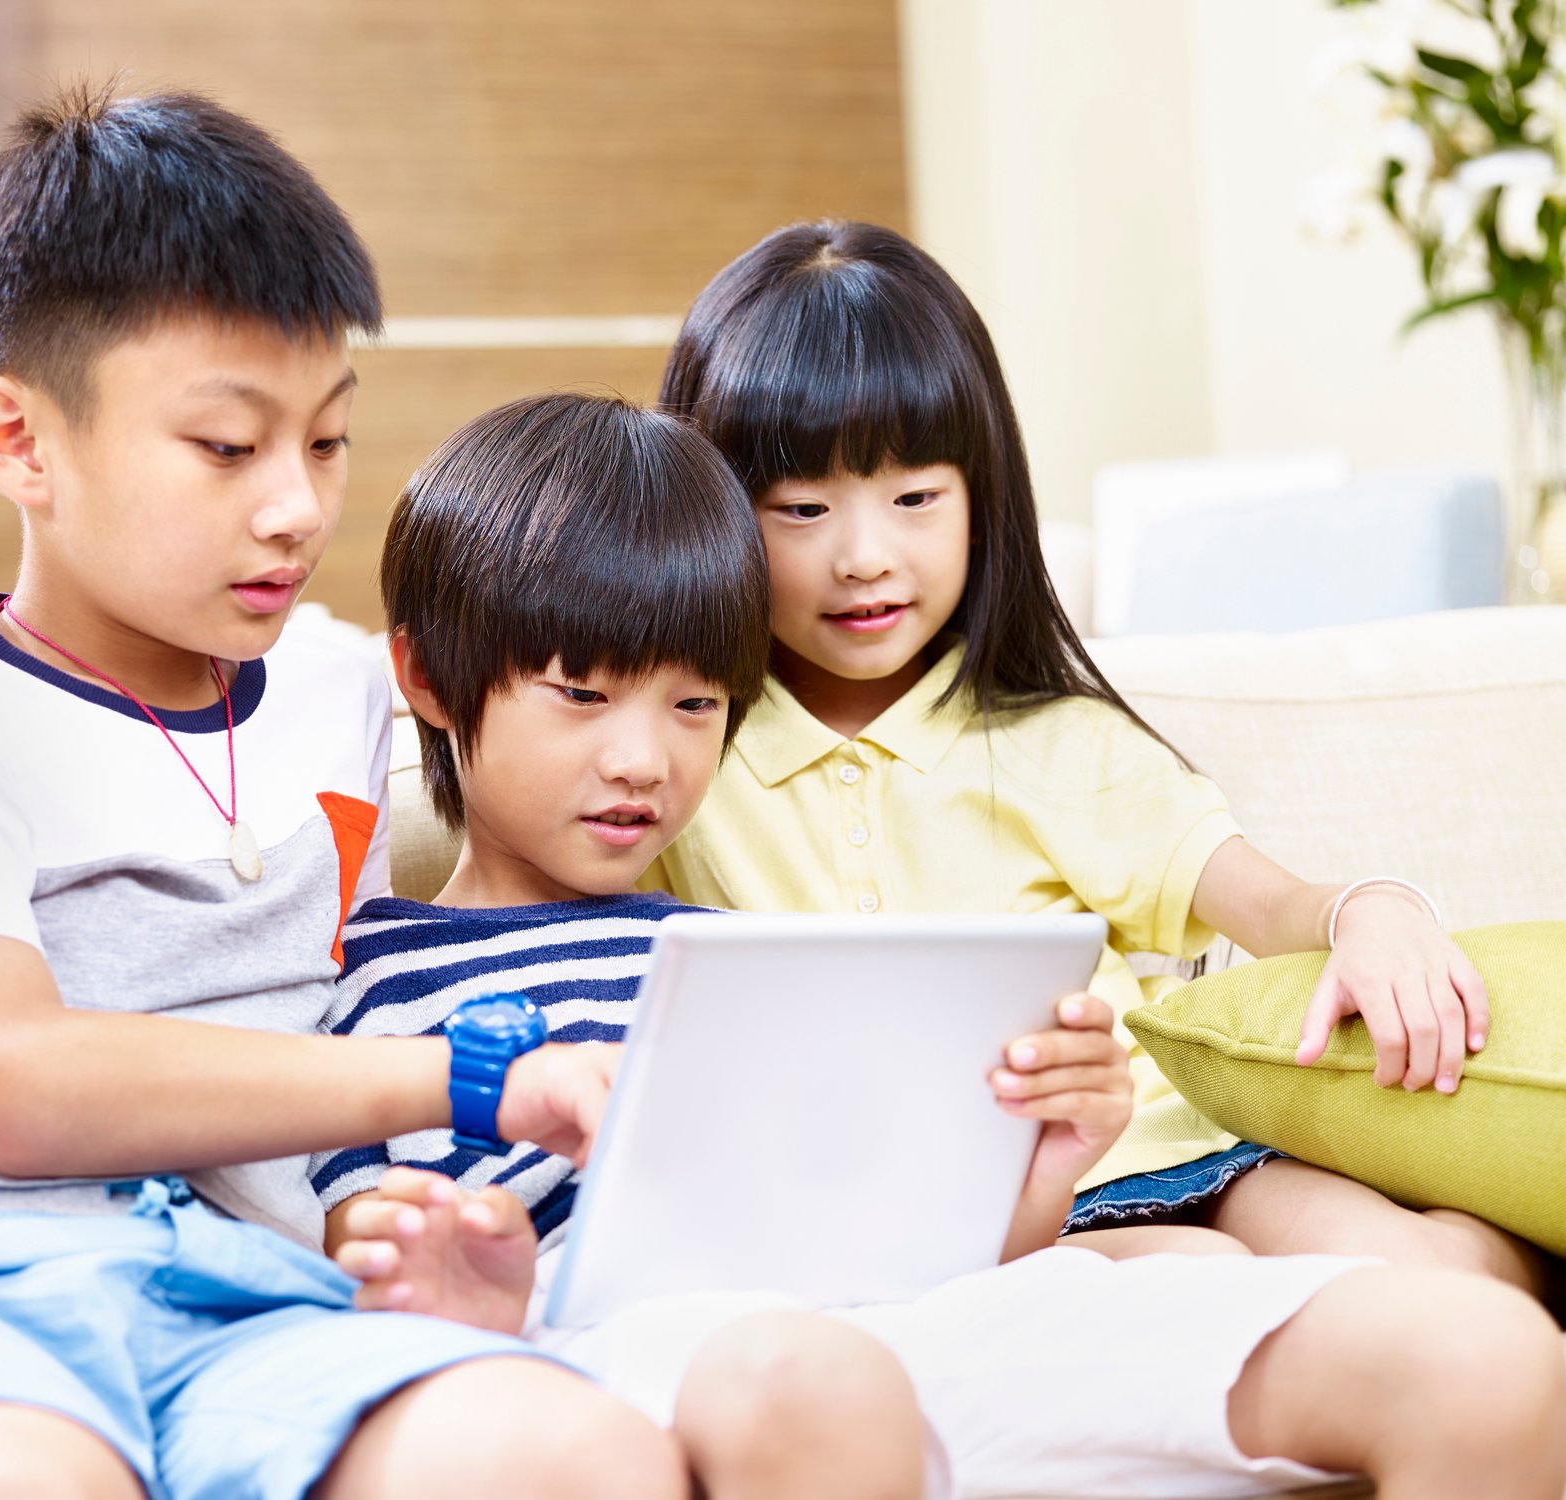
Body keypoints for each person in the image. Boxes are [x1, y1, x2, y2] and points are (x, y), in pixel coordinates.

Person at [0, 84, 693, 1500]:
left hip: (238, 1298)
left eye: (327, 441)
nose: (299, 509)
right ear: (19, 441)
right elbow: (17, 1088)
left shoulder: (343, 693)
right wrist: (478, 1080)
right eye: (227, 446)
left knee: (574, 1453)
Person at [320, 390, 1566, 1500]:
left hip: (940, 1327)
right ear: (427, 679)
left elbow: (932, 1256)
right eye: (582, 696)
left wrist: (1046, 1156)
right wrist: (467, 1300)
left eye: (696, 703)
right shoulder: (377, 970)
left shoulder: (744, 950)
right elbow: (361, 1246)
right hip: (659, 1352)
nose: (644, 760)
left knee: (1485, 1358)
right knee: (808, 1381)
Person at [646, 218, 1554, 1292]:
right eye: (801, 509)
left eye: (915, 498)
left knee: (1421, 1264)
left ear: (983, 494)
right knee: (1219, 1285)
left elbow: (1270, 908)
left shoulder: (1051, 740)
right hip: (1018, 1208)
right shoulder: (678, 761)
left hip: (1183, 1148)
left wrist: (1372, 910)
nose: (864, 558)